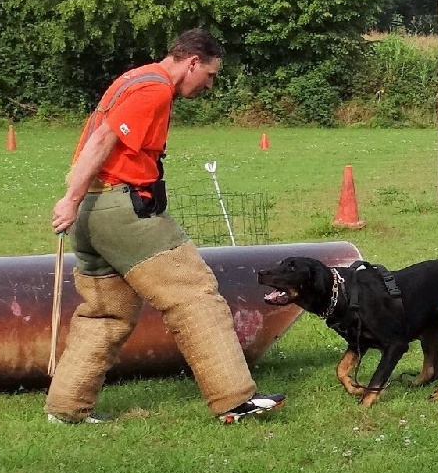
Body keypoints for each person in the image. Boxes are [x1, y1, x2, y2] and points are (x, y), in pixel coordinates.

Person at [45, 28, 284, 425]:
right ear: (192, 62)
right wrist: (68, 198)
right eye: (210, 75)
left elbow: (96, 138)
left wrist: (76, 201)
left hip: (91, 214)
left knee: (107, 314)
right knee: (194, 294)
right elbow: (103, 139)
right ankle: (234, 400)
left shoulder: (132, 77)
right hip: (122, 209)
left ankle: (67, 409)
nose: (210, 85)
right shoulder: (153, 89)